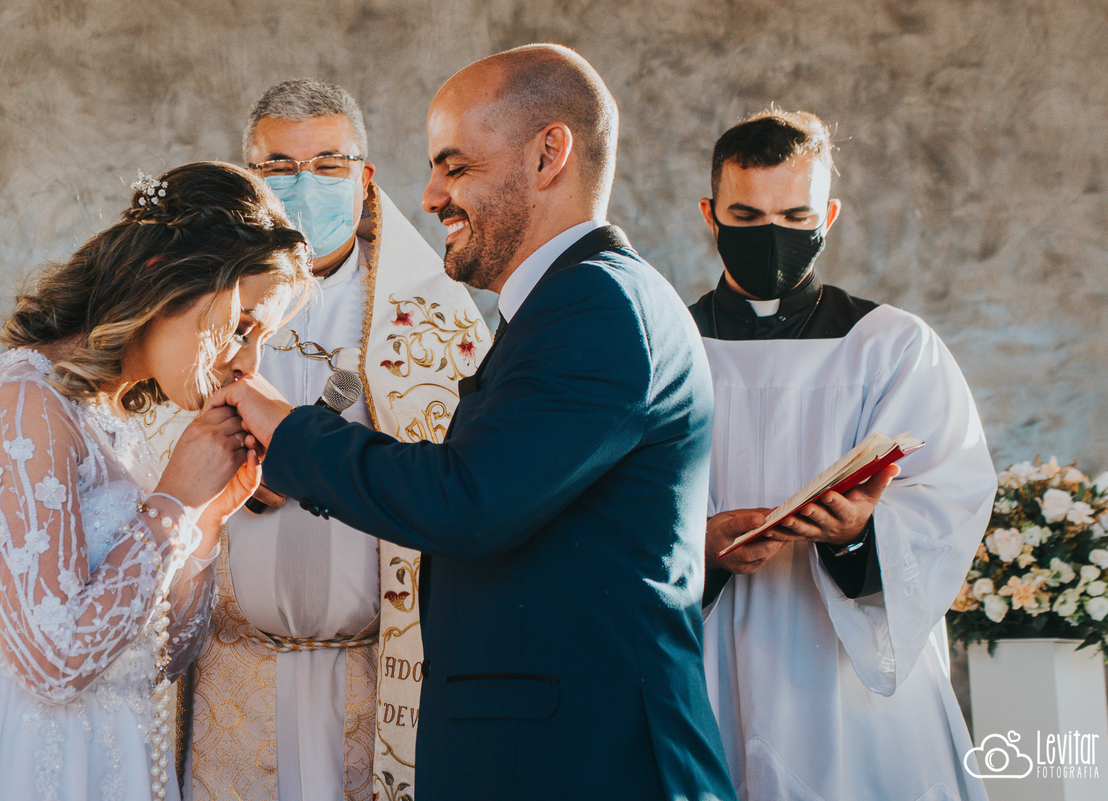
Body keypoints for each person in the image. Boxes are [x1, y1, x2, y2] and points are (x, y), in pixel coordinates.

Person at [211, 45, 736, 801]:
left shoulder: (597, 307)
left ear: (549, 154)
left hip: (582, 758)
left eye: (455, 167)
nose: (427, 196)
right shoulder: (567, 303)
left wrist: (286, 430)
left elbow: (469, 501)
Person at [0, 161, 311, 801]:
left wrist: (205, 520)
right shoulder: (22, 405)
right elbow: (53, 662)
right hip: (24, 766)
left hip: (117, 763)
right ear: (164, 277)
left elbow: (162, 658)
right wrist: (173, 500)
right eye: (242, 325)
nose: (248, 362)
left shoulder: (108, 421)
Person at [161, 80, 488, 801]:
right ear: (249, 177)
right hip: (230, 671)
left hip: (374, 678)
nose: (302, 183)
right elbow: (145, 446)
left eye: (328, 164)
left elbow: (466, 487)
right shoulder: (192, 307)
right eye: (278, 166)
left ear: (365, 178)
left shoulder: (436, 319)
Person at [688, 109, 995, 800]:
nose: (772, 235)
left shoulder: (891, 345)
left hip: (843, 667)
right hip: (707, 651)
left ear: (828, 213)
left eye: (795, 216)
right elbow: (616, 497)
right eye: (747, 213)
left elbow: (949, 489)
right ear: (710, 214)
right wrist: (696, 546)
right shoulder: (667, 344)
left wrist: (861, 536)